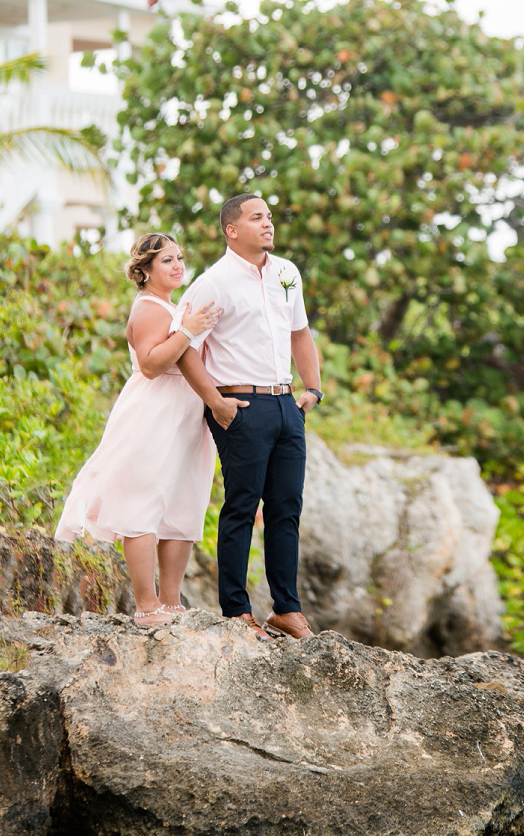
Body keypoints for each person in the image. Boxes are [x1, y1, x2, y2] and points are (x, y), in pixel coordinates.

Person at [171, 193, 323, 641]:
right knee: (241, 506)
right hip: (240, 406)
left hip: (286, 404)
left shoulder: (286, 273)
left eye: (270, 217)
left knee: (286, 508)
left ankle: (287, 610)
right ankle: (236, 612)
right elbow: (185, 350)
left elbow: (300, 333)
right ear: (231, 229)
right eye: (257, 218)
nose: (268, 224)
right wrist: (215, 402)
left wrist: (312, 388)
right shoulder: (211, 284)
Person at [55, 233, 224, 628]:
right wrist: (187, 330)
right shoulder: (149, 308)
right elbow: (150, 364)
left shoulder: (173, 305)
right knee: (143, 502)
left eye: (180, 257)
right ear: (145, 270)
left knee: (184, 502)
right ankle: (147, 605)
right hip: (155, 412)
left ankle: (171, 602)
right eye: (167, 260)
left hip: (187, 413)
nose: (178, 265)